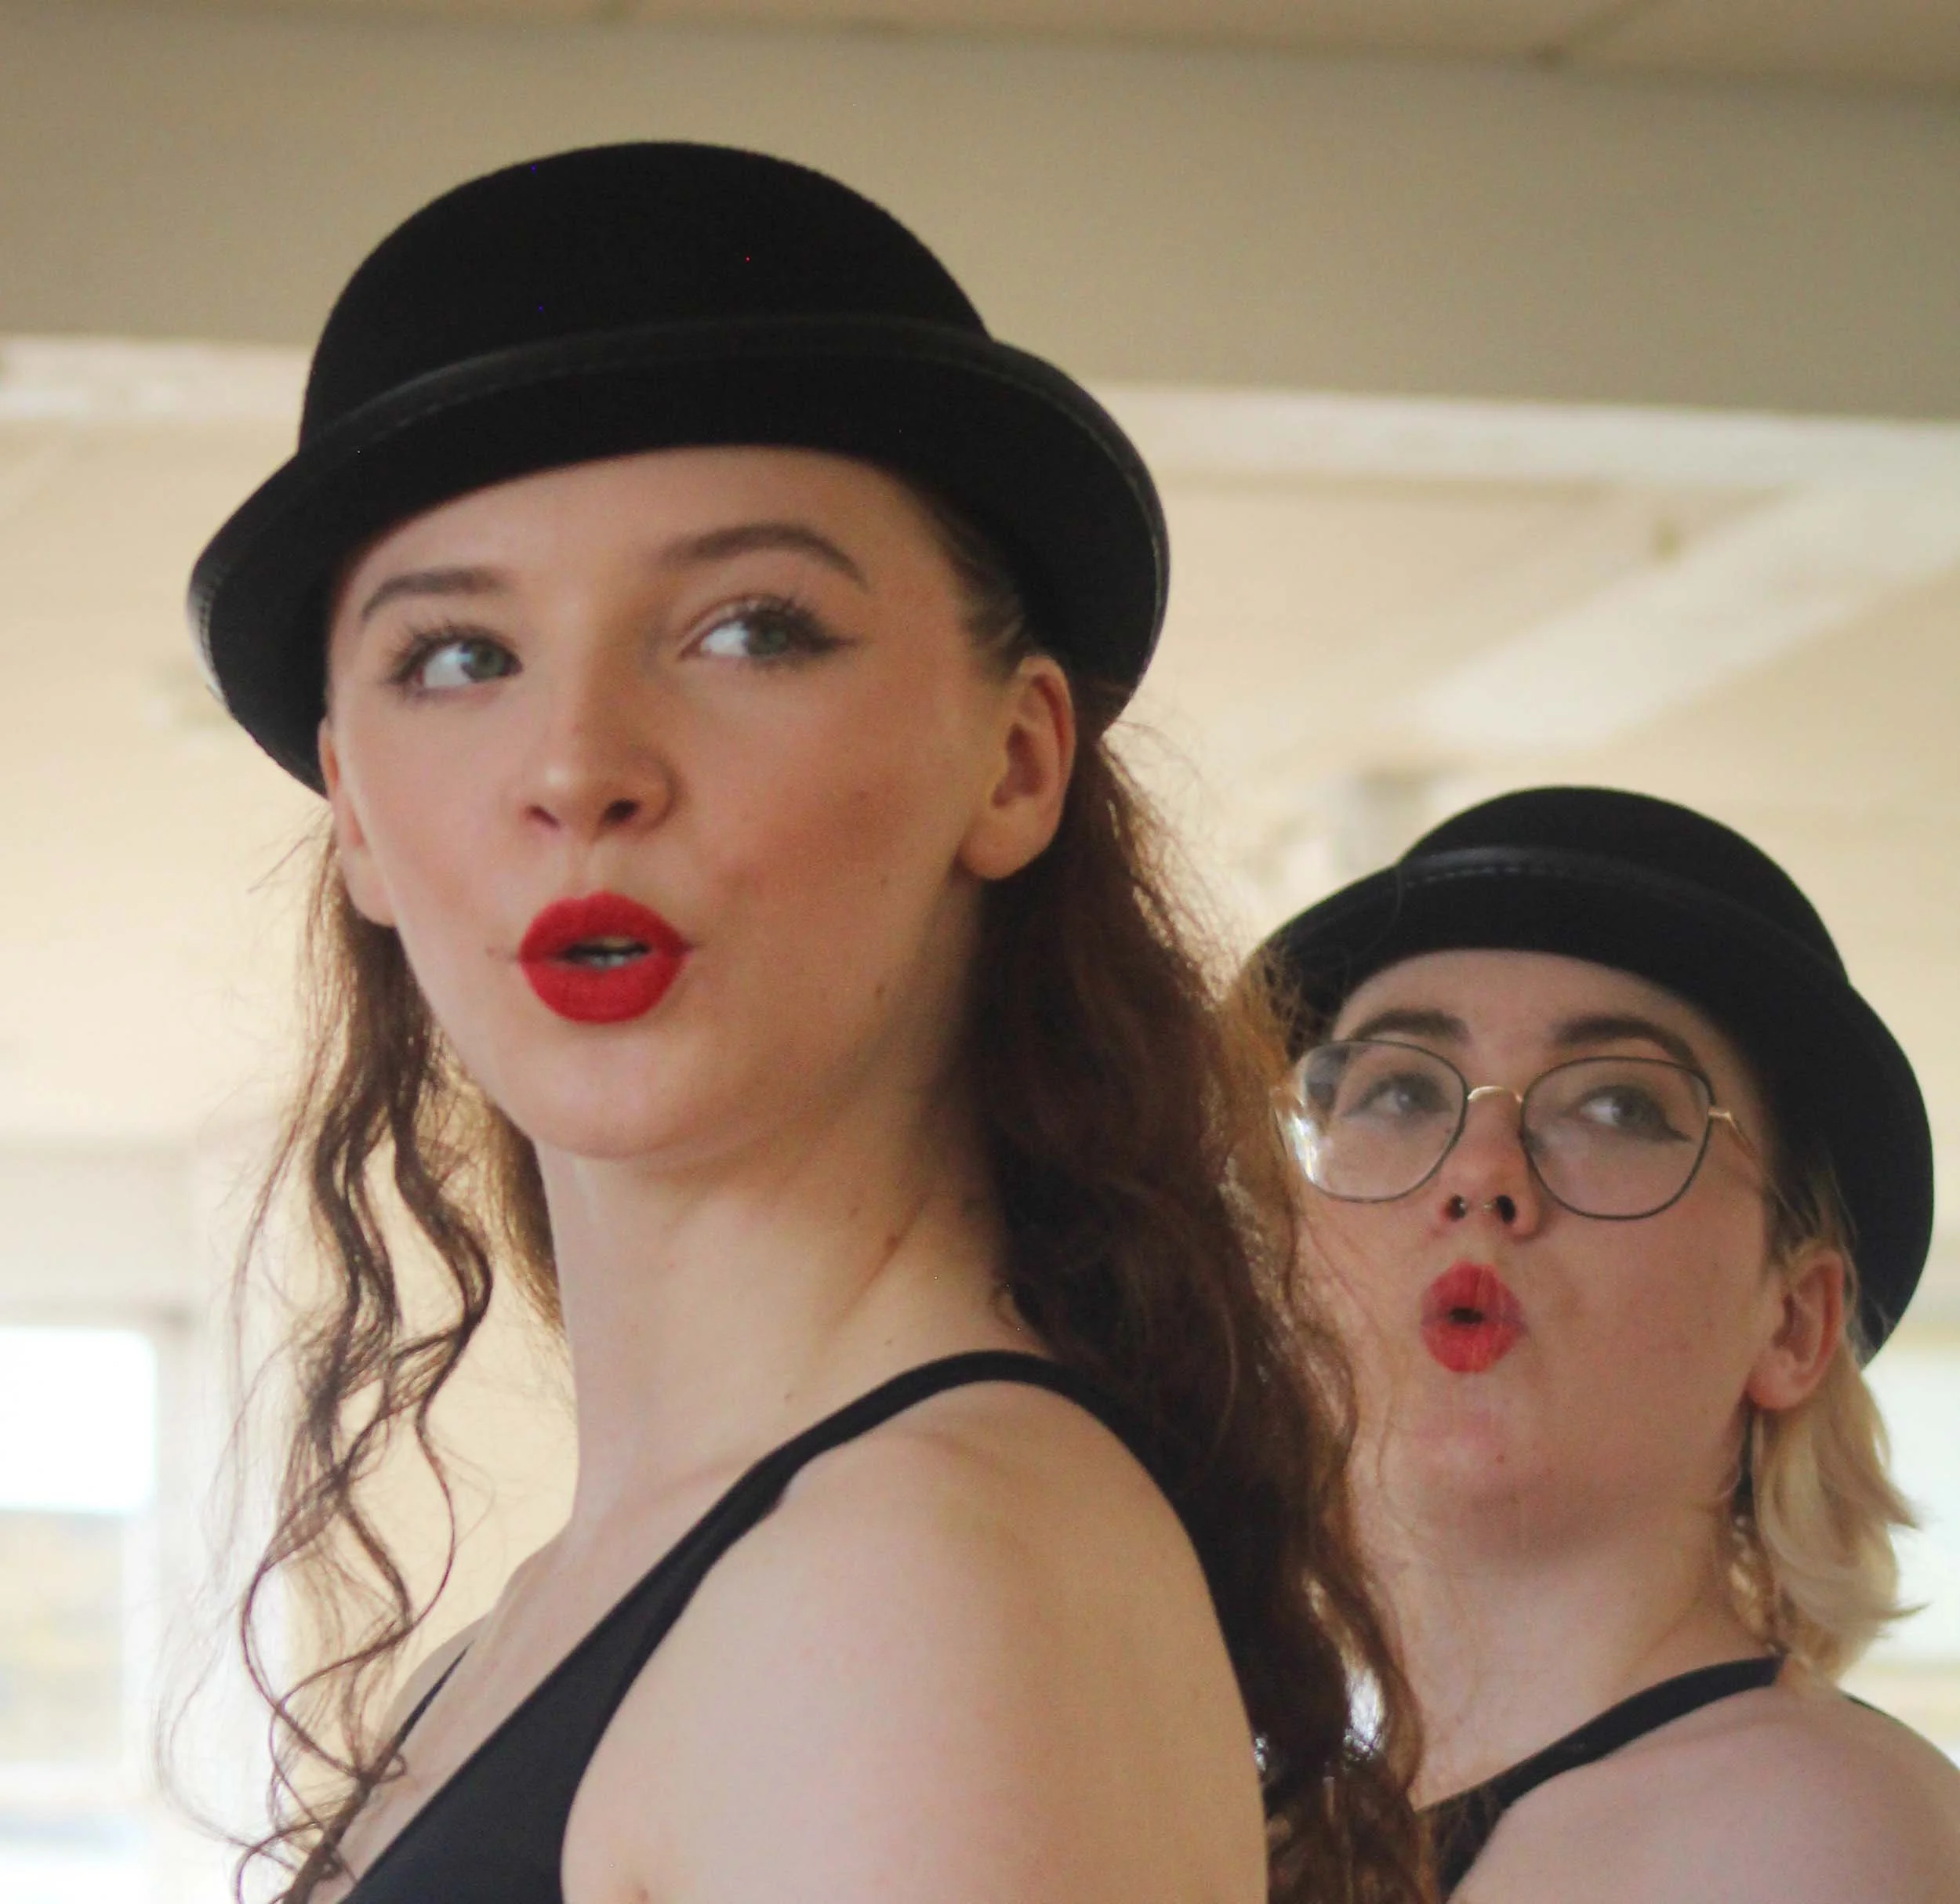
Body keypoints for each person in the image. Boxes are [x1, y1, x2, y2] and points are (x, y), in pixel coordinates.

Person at [187, 143, 1424, 1904]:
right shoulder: (598, 1603)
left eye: (748, 628)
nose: (578, 767)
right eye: (458, 655)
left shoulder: (914, 1583)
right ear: (357, 814)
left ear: (1014, 760)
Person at [1257, 785, 1960, 1901]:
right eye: (1397, 1092)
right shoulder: (1251, 1809)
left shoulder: (1809, 1829)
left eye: (1618, 1106)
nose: (1479, 1169)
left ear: (1793, 1323)